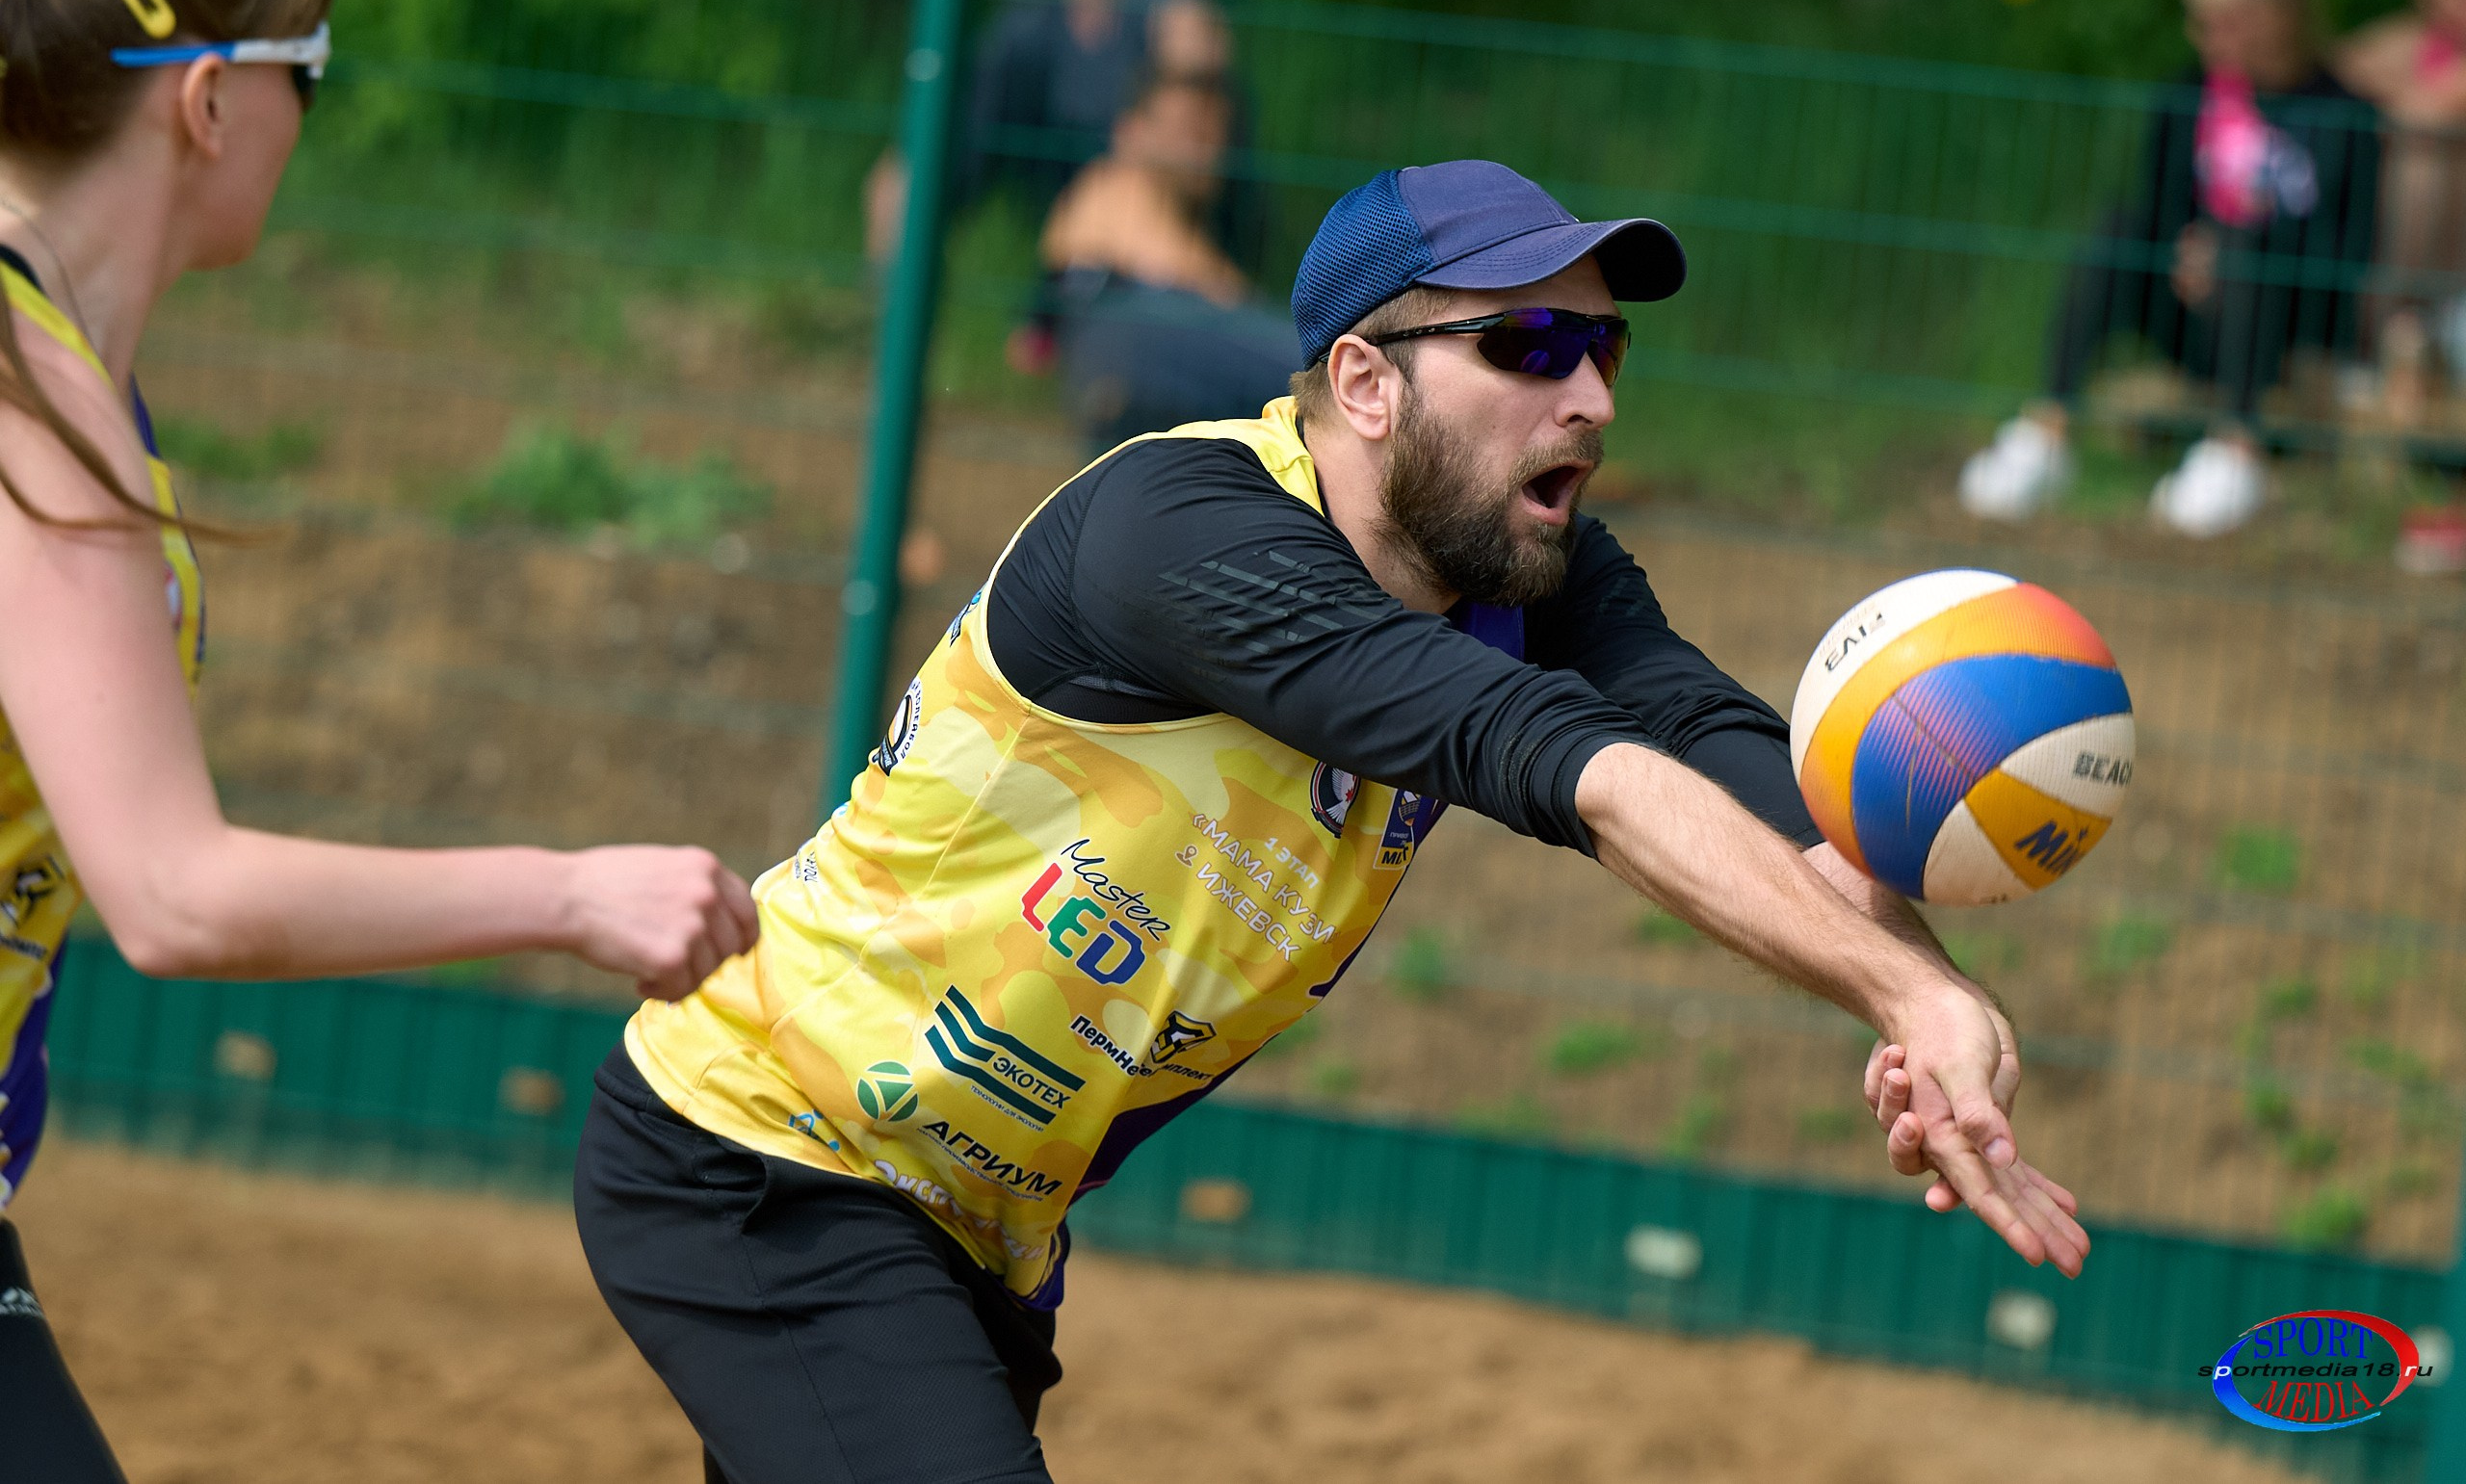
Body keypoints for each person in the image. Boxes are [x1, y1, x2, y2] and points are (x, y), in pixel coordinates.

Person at [576, 159, 2088, 1484]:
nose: (1594, 396)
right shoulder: (1183, 532)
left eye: (1606, 345)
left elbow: (1728, 761)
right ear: (1365, 381)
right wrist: (1892, 985)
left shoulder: (1530, 565)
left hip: (975, 1225)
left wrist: (1939, 994)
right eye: (1529, 342)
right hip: (771, 1147)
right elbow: (1566, 762)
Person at [0, 0, 759, 1476]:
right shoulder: (33, 410)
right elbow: (177, 896)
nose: (306, 121)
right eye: (311, 75)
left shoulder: (62, 384)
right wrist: (571, 894)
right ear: (205, 99)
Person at [1961, 0, 2379, 537]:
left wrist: (2243, 246)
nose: (2202, 35)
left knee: (2243, 247)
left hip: (2289, 318)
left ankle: (2237, 450)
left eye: (2221, 19)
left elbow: (2348, 249)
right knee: (2115, 227)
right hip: (2187, 308)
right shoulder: (2187, 95)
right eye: (2200, 18)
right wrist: (2187, 254)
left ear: (2274, 16)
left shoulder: (2343, 112)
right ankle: (2047, 431)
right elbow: (2156, 203)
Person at [864, 0, 1261, 271]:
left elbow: (1196, 65)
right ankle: (890, 327)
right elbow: (969, 119)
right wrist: (915, 170)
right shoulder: (1027, 25)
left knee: (1120, 195)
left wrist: (1137, 151)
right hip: (1069, 235)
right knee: (899, 180)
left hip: (1165, 229)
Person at [1021, 65, 1299, 451]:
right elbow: (1204, 286)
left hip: (1123, 361)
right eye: (1191, 133)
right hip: (1133, 330)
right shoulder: (1115, 186)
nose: (1209, 151)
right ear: (1130, 133)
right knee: (1305, 371)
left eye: (1217, 135)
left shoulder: (1165, 216)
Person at [2340, 0, 2466, 419]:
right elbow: (2323, 76)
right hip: (2398, 276)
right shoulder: (2395, 46)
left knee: (2423, 154)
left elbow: (2434, 110)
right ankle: (2397, 335)